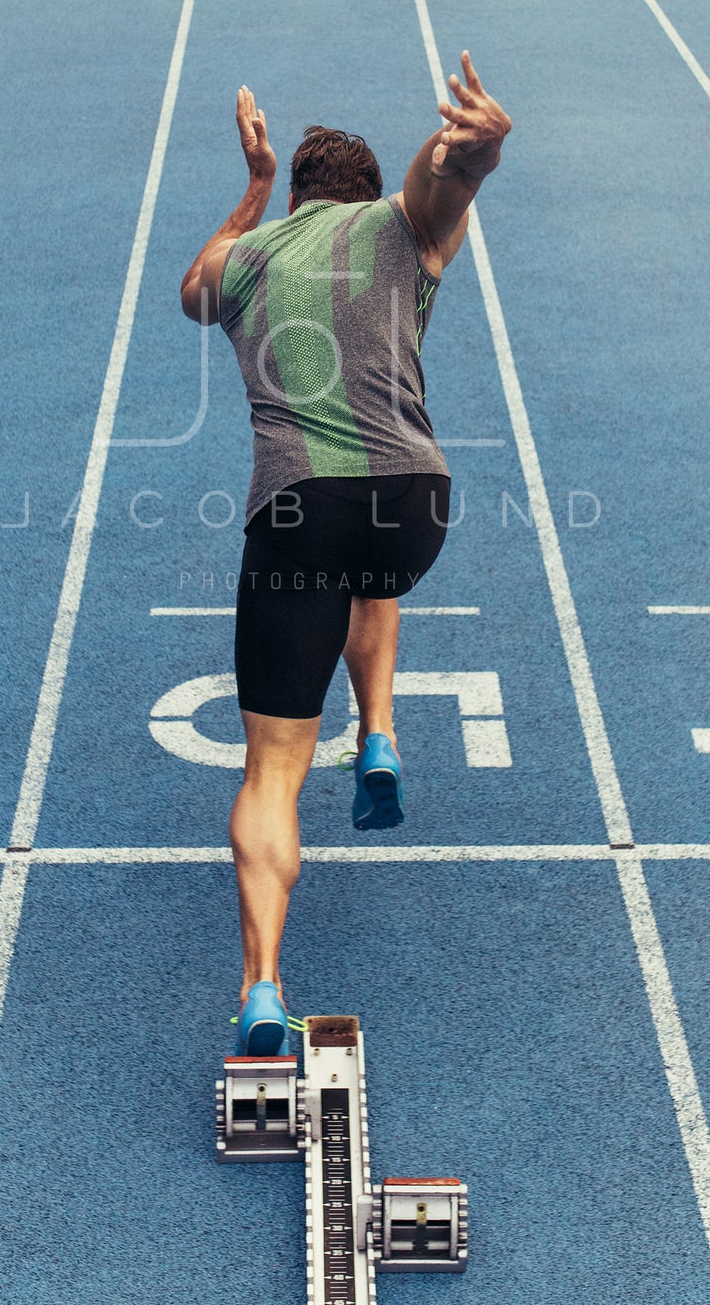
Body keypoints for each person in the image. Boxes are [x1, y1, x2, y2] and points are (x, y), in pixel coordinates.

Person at [180, 51, 511, 1056]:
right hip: (415, 502)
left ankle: (264, 986)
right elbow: (441, 182)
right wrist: (478, 147)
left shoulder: (248, 257)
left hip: (295, 510)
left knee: (272, 769)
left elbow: (191, 290)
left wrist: (247, 191)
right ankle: (378, 732)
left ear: (293, 196)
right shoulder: (403, 230)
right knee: (376, 569)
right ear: (364, 197)